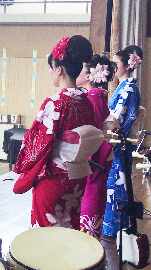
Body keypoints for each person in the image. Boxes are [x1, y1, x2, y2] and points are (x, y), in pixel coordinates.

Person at [13, 35, 104, 230]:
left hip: (53, 179)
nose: (50, 72)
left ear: (59, 70)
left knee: (46, 234)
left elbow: (37, 144)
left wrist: (24, 168)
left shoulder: (56, 103)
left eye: (51, 68)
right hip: (77, 176)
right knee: (69, 227)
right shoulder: (86, 102)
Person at [102, 45, 143, 238]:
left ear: (127, 66)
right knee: (117, 186)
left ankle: (114, 230)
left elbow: (117, 118)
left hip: (119, 143)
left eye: (116, 63)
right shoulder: (125, 86)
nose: (113, 67)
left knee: (116, 187)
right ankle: (116, 228)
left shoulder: (127, 88)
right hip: (119, 143)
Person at [76, 54, 116, 239]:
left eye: (81, 71)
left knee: (91, 199)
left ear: (88, 76)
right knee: (93, 197)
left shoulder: (94, 96)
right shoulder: (96, 96)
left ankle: (89, 245)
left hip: (95, 158)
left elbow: (95, 132)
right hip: (99, 155)